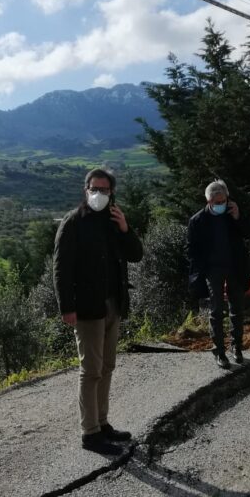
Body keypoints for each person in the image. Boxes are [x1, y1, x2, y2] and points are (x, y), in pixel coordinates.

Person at [53, 168, 143, 456]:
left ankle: (102, 423)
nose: (99, 194)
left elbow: (136, 254)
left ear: (111, 192)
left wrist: (126, 228)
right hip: (87, 308)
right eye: (94, 188)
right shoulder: (73, 222)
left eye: (105, 190)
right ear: (85, 189)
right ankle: (89, 432)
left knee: (107, 366)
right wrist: (66, 307)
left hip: (113, 304)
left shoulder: (113, 221)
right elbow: (61, 269)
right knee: (90, 370)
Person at [187, 179, 250, 370]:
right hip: (213, 270)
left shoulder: (232, 215)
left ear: (227, 198)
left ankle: (237, 348)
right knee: (216, 311)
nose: (220, 205)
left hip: (235, 268)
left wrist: (238, 217)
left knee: (237, 310)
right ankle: (219, 352)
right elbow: (191, 250)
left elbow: (249, 233)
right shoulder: (197, 221)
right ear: (208, 202)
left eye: (223, 201)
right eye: (216, 202)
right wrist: (200, 271)